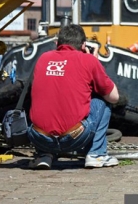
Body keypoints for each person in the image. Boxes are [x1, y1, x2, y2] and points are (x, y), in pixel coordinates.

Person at [27, 24, 120, 170]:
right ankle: (96, 154)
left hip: (39, 138)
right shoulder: (88, 60)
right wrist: (95, 62)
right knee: (102, 101)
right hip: (74, 137)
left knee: (47, 98)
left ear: (56, 43)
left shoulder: (43, 58)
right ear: (83, 45)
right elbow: (114, 97)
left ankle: (44, 155)